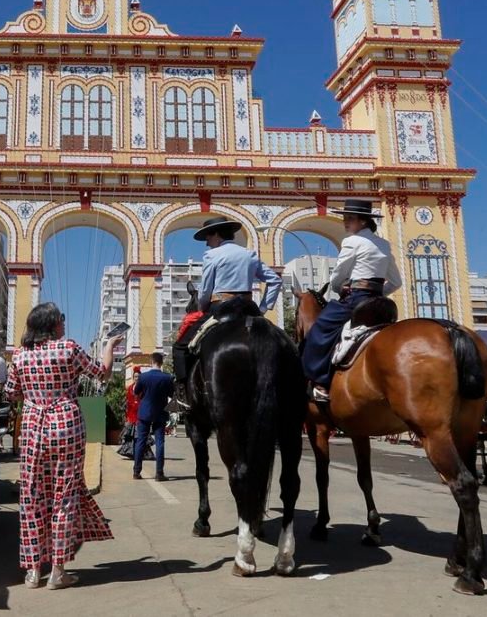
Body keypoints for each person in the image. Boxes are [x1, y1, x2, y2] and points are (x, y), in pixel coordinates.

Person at [5, 303, 122, 590]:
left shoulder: (20, 355)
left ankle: (33, 572)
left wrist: (34, 395)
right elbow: (103, 373)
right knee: (64, 495)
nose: (64, 323)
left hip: (33, 425)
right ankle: (58, 571)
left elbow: (10, 393)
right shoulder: (68, 348)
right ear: (52, 324)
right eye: (61, 319)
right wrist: (109, 345)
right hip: (66, 425)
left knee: (31, 495)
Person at [301, 200, 403, 402]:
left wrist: (339, 289)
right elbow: (396, 281)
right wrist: (380, 293)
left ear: (364, 221)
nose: (345, 222)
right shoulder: (383, 244)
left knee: (320, 328)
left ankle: (320, 382)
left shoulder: (352, 241)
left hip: (357, 299)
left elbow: (339, 274)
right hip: (379, 302)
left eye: (350, 218)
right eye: (345, 218)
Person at [172, 217, 281, 384]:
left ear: (216, 234)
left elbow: (206, 290)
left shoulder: (212, 255)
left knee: (180, 347)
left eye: (208, 237)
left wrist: (203, 307)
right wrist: (263, 309)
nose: (207, 243)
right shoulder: (249, 254)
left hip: (220, 308)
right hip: (249, 308)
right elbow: (275, 280)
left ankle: (181, 393)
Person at [132, 353, 174, 481]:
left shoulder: (143, 377)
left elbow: (136, 392)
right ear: (161, 363)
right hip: (160, 412)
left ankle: (136, 472)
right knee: (160, 442)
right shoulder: (168, 378)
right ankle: (159, 473)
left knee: (141, 441)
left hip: (145, 412)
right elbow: (171, 394)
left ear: (152, 362)